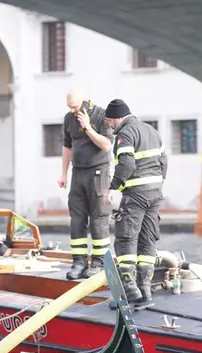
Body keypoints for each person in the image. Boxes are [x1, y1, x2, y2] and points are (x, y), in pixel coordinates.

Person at [103, 99, 167, 305]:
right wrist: (156, 183)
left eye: (110, 121)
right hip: (155, 193)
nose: (110, 126)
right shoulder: (151, 131)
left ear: (117, 118)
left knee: (126, 239)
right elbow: (164, 162)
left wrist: (113, 187)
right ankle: (146, 292)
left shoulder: (125, 134)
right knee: (147, 240)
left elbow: (127, 163)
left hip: (136, 194)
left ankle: (130, 291)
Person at [58, 88, 114, 280]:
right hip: (78, 173)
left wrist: (88, 127)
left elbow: (107, 145)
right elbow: (67, 146)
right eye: (69, 107)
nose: (73, 110)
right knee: (77, 219)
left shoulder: (101, 115)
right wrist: (63, 173)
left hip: (99, 172)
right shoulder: (68, 118)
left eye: (75, 106)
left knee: (99, 219)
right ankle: (79, 262)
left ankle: (98, 262)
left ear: (83, 102)